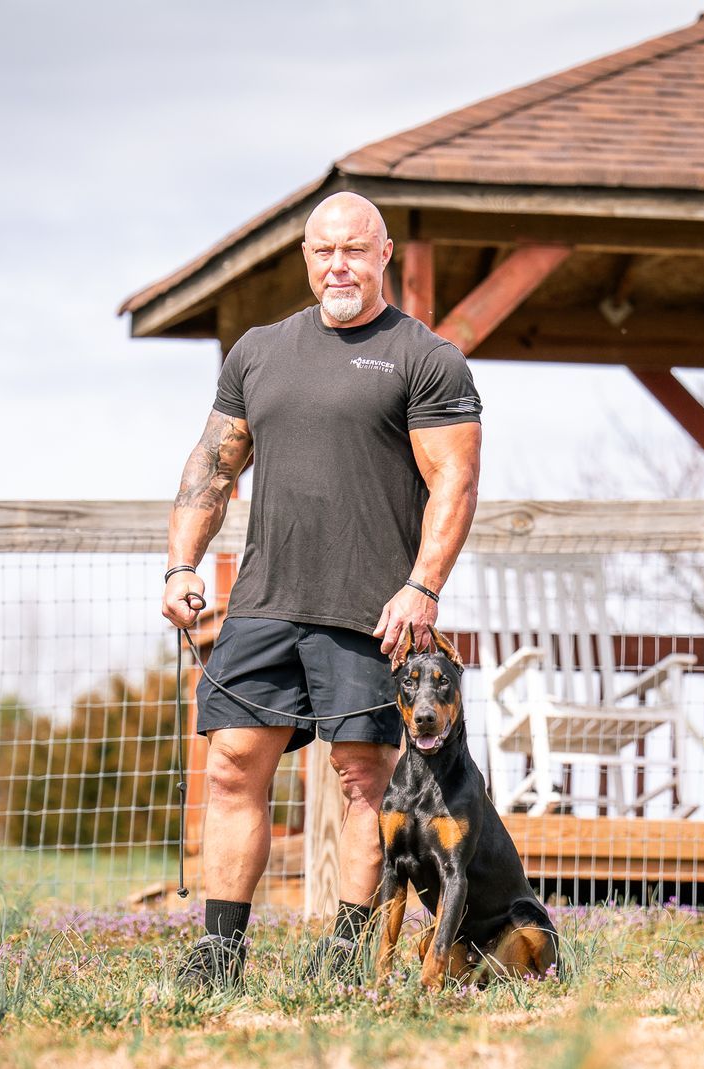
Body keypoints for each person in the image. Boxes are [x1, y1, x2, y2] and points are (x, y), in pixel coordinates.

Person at [160, 191, 482, 989]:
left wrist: (422, 587)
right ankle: (219, 953)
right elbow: (214, 463)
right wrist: (181, 566)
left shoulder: (425, 357)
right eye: (321, 252)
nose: (337, 265)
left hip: (370, 609)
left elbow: (456, 482)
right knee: (233, 766)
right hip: (265, 600)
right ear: (305, 260)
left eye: (353, 250)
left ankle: (346, 955)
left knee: (363, 779)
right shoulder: (259, 352)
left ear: (383, 257)